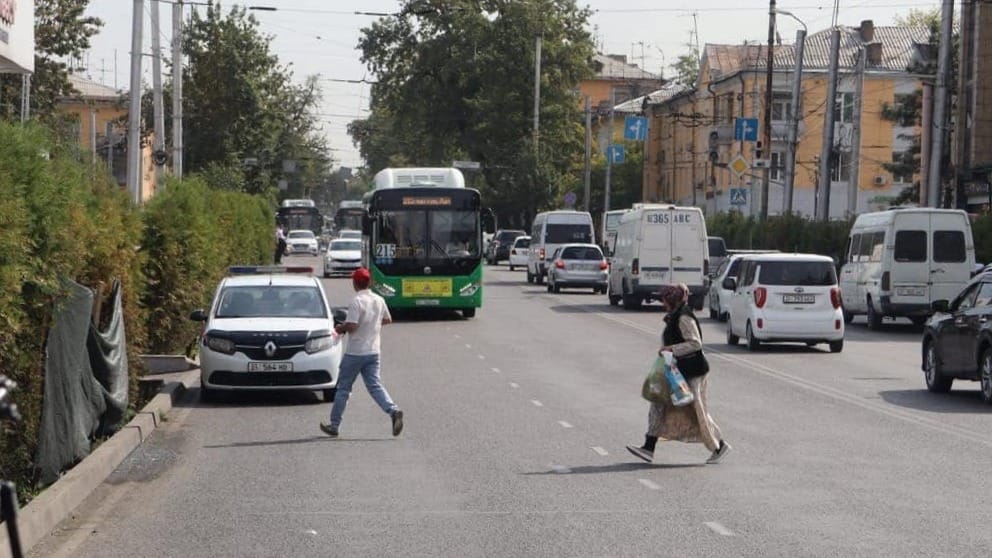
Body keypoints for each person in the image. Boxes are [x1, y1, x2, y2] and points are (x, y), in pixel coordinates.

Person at [626, 283, 731, 464]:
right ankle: (648, 447)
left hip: (693, 372)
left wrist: (671, 349)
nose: (663, 303)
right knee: (659, 404)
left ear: (672, 300)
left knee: (697, 410)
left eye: (665, 299)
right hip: (677, 370)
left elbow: (695, 343)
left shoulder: (683, 317)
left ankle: (719, 446)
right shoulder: (675, 315)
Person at [320, 268, 403, 438]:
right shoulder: (378, 300)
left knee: (343, 389)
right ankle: (393, 410)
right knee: (375, 385)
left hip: (355, 352)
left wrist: (340, 328)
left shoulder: (357, 301)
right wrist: (373, 326)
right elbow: (387, 319)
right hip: (373, 351)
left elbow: (352, 325)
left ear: (355, 283)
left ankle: (334, 425)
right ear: (369, 282)